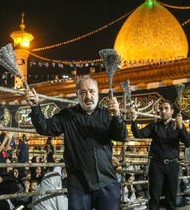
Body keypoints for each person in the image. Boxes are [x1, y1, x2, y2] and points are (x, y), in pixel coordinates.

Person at [25, 77, 128, 210]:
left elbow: (122, 136)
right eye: (83, 92)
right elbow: (44, 128)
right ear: (77, 94)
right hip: (79, 185)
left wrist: (117, 117)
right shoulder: (67, 115)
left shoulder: (107, 114)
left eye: (92, 91)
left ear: (98, 93)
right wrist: (35, 107)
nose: (88, 96)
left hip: (107, 182)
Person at [130, 100, 190, 210]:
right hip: (156, 165)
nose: (163, 111)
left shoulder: (177, 126)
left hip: (173, 165)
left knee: (171, 197)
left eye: (166, 108)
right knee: (154, 197)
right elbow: (138, 134)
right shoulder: (154, 126)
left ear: (172, 111)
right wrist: (134, 119)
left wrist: (181, 126)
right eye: (161, 109)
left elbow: (188, 142)